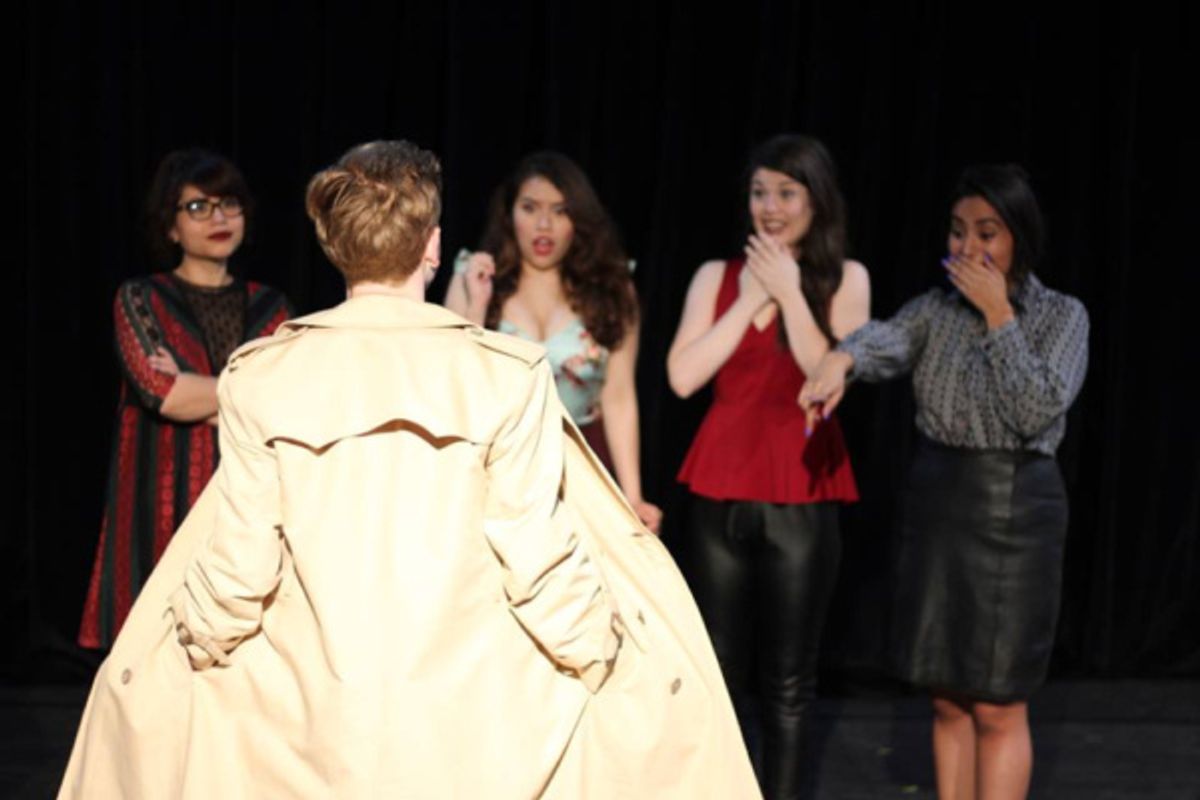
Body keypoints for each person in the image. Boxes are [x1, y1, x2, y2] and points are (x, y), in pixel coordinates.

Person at [59, 141, 760, 798]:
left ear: (335, 247)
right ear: (430, 247)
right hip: (461, 706)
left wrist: (194, 639)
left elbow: (242, 560)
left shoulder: (266, 373)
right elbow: (534, 550)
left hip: (314, 706)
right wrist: (598, 650)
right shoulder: (504, 373)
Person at [800, 164, 1089, 800]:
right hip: (939, 507)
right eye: (958, 232)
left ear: (1019, 237)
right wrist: (843, 358)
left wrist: (1000, 319)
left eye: (987, 232)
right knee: (949, 699)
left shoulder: (1062, 316)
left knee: (998, 705)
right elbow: (889, 339)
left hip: (1016, 510)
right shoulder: (937, 309)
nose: (968, 248)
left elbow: (1038, 409)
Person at [667, 134, 871, 798]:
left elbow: (826, 374)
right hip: (720, 487)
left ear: (816, 200)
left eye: (786, 192)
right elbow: (682, 377)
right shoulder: (714, 277)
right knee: (719, 676)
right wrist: (750, 300)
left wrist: (789, 293)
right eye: (760, 192)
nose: (770, 207)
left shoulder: (848, 279)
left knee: (787, 685)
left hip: (802, 490)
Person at [78, 149, 292, 649]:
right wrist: (245, 392)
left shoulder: (272, 306)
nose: (218, 218)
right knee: (152, 652)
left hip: (244, 497)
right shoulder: (141, 298)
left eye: (229, 204)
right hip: (160, 498)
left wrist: (212, 393)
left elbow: (283, 401)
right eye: (198, 207)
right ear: (170, 227)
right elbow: (165, 395)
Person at [444, 151, 662, 532]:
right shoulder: (475, 278)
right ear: (509, 213)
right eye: (530, 208)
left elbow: (619, 395)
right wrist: (476, 307)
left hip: (585, 463)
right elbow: (454, 384)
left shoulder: (612, 288)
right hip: (500, 466)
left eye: (560, 211)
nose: (544, 224)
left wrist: (633, 497)